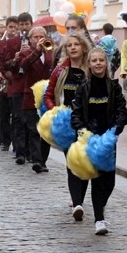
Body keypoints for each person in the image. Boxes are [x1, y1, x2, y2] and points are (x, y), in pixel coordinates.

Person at [70, 47, 127, 235]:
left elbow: (122, 111)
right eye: (94, 61)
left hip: (108, 139)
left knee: (109, 182)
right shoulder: (83, 88)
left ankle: (99, 206)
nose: (98, 64)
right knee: (97, 179)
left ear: (106, 63)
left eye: (101, 60)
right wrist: (83, 132)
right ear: (89, 64)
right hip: (90, 141)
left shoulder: (114, 87)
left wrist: (116, 129)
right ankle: (99, 219)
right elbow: (76, 114)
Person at [44, 33, 91, 212]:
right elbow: (49, 94)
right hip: (66, 123)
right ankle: (77, 203)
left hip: (87, 123)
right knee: (72, 162)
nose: (72, 47)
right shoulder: (60, 70)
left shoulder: (91, 70)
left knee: (84, 163)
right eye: (69, 45)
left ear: (83, 48)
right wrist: (54, 111)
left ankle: (80, 198)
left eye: (76, 44)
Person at [17, 26, 54, 173]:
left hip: (47, 96)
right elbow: (23, 66)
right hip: (31, 96)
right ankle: (36, 160)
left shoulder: (50, 52)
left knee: (46, 131)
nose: (39, 40)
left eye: (41, 37)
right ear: (30, 39)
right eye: (36, 37)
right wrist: (37, 51)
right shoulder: (25, 53)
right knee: (33, 129)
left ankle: (42, 160)